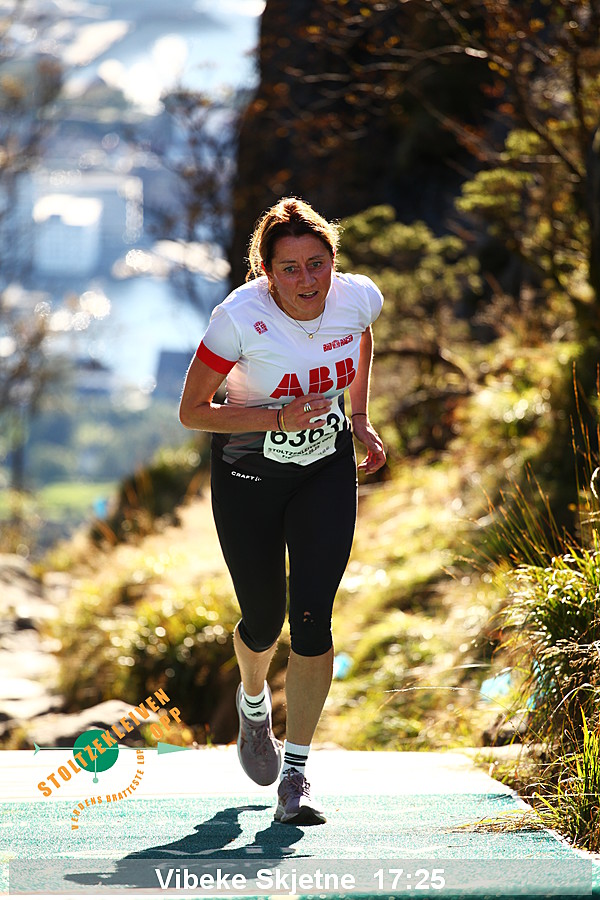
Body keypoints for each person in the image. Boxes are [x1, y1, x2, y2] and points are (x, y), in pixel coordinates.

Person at [179, 197, 386, 825]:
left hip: (325, 470)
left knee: (314, 618)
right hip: (249, 476)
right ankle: (252, 702)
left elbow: (363, 339)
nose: (306, 280)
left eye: (317, 263)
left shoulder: (357, 298)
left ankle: (295, 775)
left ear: (333, 261)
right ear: (266, 272)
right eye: (289, 269)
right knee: (265, 621)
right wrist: (275, 417)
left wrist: (358, 418)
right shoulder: (238, 319)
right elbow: (193, 411)